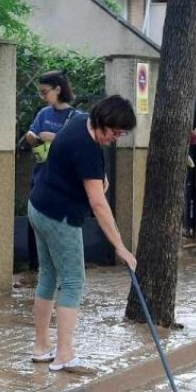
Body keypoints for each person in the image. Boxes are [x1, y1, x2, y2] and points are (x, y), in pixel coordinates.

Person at [27, 95, 137, 373]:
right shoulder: (86, 148)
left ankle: (41, 348)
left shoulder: (79, 121)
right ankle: (64, 354)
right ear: (104, 122)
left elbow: (95, 181)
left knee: (48, 276)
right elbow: (99, 204)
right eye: (115, 132)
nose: (116, 138)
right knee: (74, 281)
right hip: (59, 217)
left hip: (38, 206)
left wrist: (100, 182)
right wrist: (121, 247)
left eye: (121, 134)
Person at [23, 72, 78, 187]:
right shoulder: (43, 113)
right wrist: (31, 136)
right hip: (41, 177)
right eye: (40, 93)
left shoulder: (77, 117)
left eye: (44, 92)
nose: (43, 97)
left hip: (65, 180)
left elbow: (80, 146)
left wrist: (55, 137)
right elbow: (33, 132)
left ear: (58, 89)